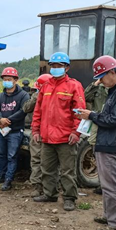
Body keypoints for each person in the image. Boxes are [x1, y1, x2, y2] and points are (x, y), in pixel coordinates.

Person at [76, 56, 116, 230]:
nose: (100, 81)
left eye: (102, 77)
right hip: (110, 142)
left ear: (112, 72)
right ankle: (110, 215)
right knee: (108, 183)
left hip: (113, 143)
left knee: (112, 185)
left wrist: (92, 116)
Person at [31, 52, 85, 211]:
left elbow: (79, 112)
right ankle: (50, 194)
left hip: (65, 138)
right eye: (53, 66)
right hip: (47, 137)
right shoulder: (46, 86)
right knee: (47, 168)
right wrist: (35, 130)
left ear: (66, 68)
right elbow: (38, 110)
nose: (55, 68)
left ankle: (69, 198)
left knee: (67, 171)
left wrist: (76, 133)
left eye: (59, 66)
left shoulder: (74, 86)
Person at [0, 67, 30, 191]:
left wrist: (9, 120)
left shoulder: (23, 95)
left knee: (12, 156)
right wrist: (0, 119)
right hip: (2, 130)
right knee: (1, 154)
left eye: (9, 79)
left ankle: (9, 179)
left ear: (15, 80)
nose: (7, 81)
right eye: (5, 79)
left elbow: (23, 111)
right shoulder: (1, 96)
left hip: (15, 131)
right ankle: (1, 176)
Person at [22, 74, 52, 198]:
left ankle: (50, 187)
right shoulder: (36, 96)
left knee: (50, 161)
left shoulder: (54, 96)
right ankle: (37, 186)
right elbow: (26, 108)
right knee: (36, 159)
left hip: (51, 132)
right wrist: (36, 96)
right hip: (37, 131)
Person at [84, 78, 108, 194]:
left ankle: (108, 185)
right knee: (96, 152)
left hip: (109, 123)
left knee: (110, 156)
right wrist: (95, 84)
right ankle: (101, 184)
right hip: (96, 122)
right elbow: (85, 97)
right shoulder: (98, 88)